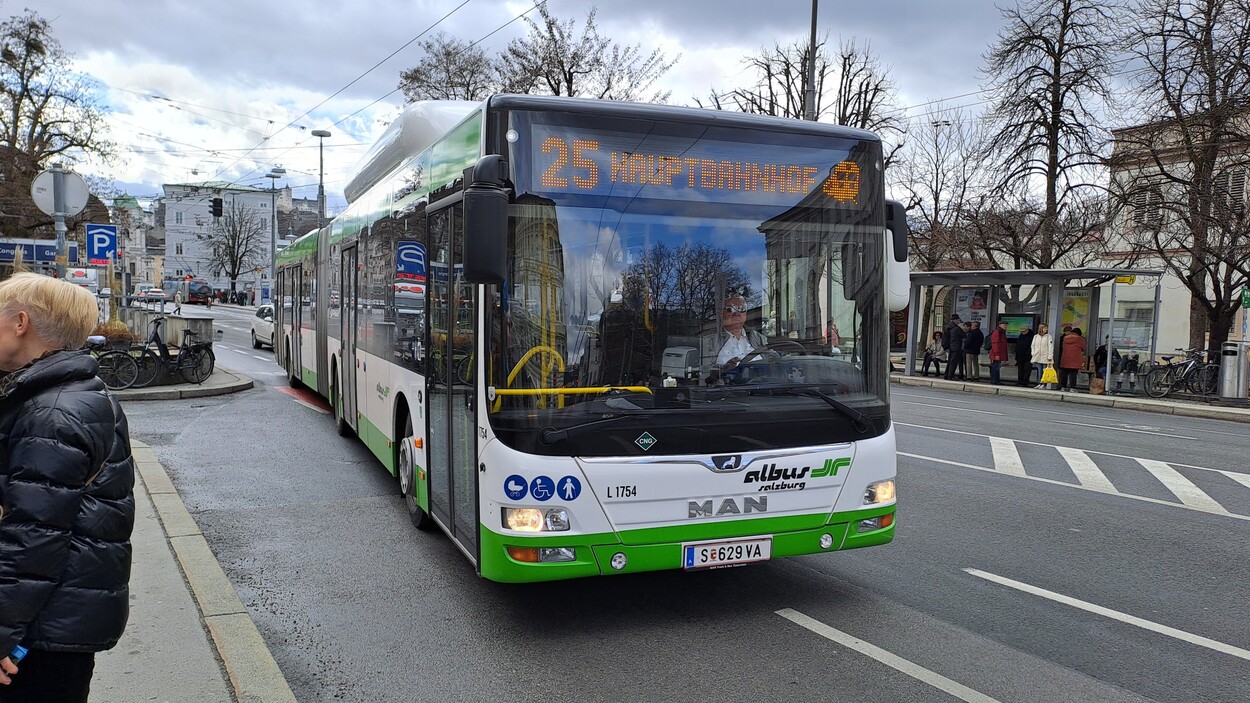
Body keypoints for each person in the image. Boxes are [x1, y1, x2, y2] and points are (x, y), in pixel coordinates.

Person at [0, 273, 135, 703]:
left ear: (20, 323)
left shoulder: (52, 412)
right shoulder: (66, 393)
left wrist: (2, 632)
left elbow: (33, 539)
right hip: (59, 619)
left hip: (39, 634)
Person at [715, 295, 766, 370]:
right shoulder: (712, 339)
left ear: (745, 314)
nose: (737, 313)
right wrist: (725, 369)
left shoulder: (757, 336)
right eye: (730, 309)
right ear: (721, 313)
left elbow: (774, 359)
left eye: (742, 309)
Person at [1059, 326, 1088, 391]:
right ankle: (1072, 388)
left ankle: (1063, 387)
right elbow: (1084, 348)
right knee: (1073, 374)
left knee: (1064, 373)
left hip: (1065, 358)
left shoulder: (1065, 338)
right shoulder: (1080, 339)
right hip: (1075, 359)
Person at [1031, 323, 1054, 388]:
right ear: (1040, 328)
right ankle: (1039, 383)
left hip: (1045, 357)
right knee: (1039, 371)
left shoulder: (1048, 336)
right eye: (1044, 328)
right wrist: (1033, 353)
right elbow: (1033, 345)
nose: (1046, 329)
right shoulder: (1036, 336)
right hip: (1037, 356)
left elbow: (1050, 347)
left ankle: (1044, 384)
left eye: (1046, 328)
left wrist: (1050, 356)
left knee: (1045, 371)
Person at [943, 315, 966, 380]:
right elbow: (963, 335)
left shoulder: (949, 327)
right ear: (955, 320)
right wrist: (964, 331)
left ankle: (946, 375)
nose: (959, 321)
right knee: (954, 362)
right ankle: (951, 376)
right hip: (956, 347)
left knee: (950, 361)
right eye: (958, 320)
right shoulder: (956, 328)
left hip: (951, 347)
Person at [988, 319, 1009, 385]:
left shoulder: (1001, 332)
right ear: (1000, 325)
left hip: (999, 353)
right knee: (996, 367)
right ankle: (995, 380)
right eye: (1004, 325)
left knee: (996, 366)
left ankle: (996, 380)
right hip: (997, 353)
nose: (1006, 326)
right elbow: (995, 343)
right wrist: (997, 353)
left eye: (1006, 325)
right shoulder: (998, 332)